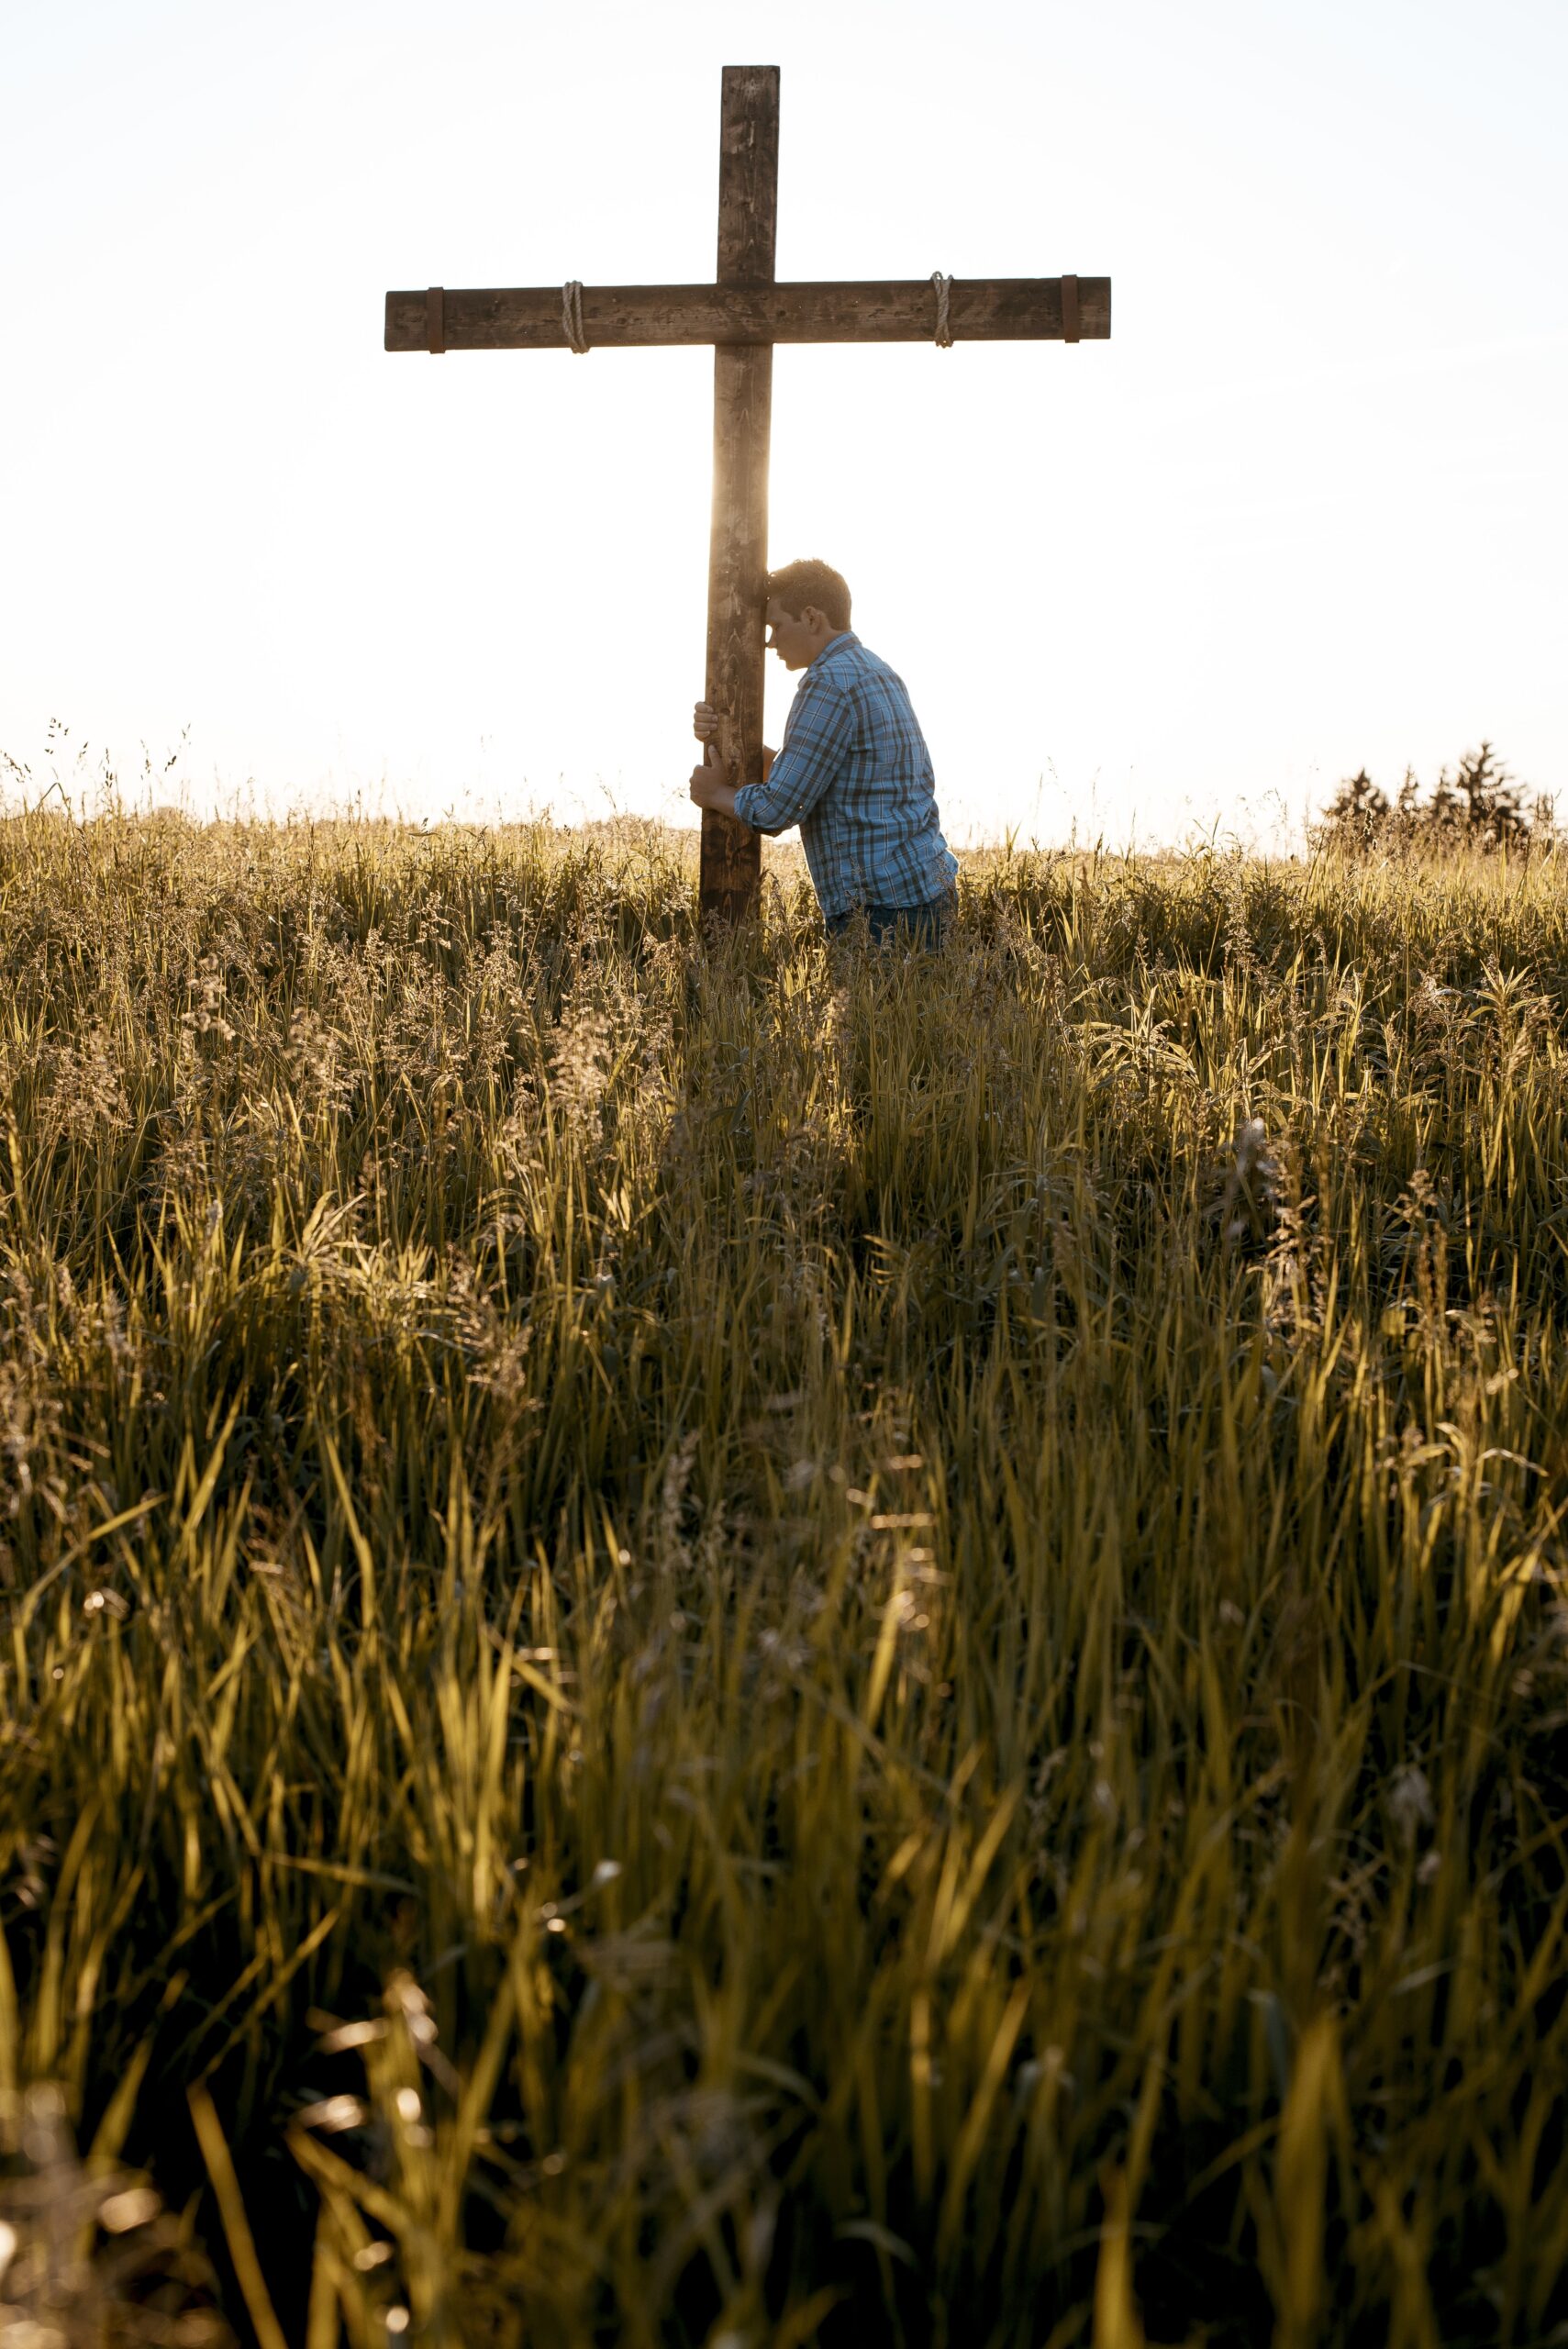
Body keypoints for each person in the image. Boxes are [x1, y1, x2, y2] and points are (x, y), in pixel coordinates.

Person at [688, 559, 959, 946]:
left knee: (866, 1010)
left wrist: (714, 795)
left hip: (883, 911)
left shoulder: (827, 683)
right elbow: (820, 772)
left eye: (777, 625)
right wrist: (725, 738)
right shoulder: (874, 670)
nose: (770, 641)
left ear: (812, 618)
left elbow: (777, 809)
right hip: (926, 890)